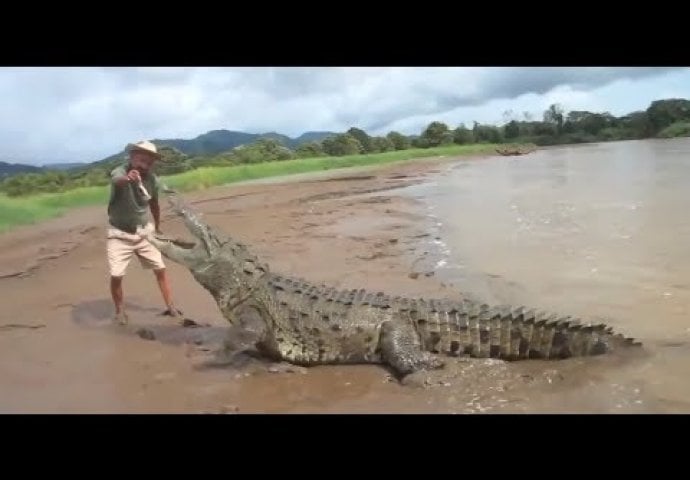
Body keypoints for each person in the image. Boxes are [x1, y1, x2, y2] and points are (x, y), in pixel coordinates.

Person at [106, 140, 181, 325]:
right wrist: (129, 178)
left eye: (149, 161)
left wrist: (157, 226)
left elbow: (154, 204)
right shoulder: (121, 171)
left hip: (143, 232)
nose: (145, 163)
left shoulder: (152, 179)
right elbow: (116, 180)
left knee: (160, 269)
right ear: (132, 157)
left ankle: (171, 307)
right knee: (116, 275)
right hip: (119, 234)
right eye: (141, 159)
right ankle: (120, 311)